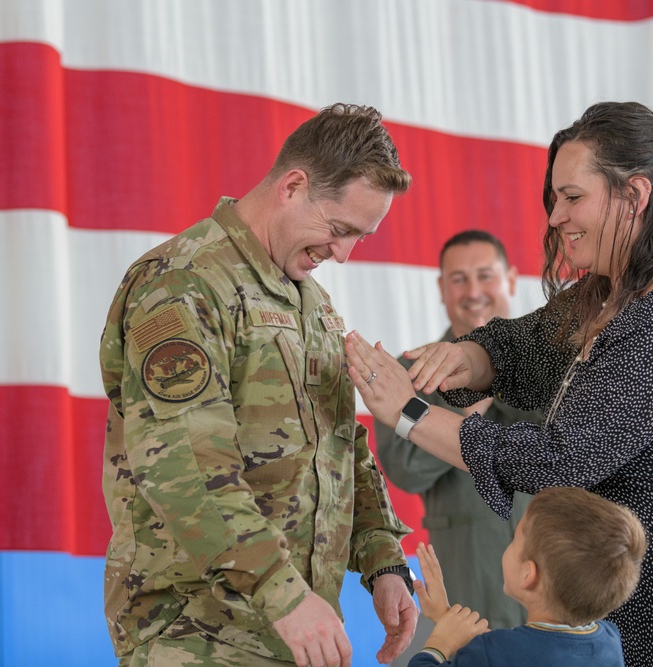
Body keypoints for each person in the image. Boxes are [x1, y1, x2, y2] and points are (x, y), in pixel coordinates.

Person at [345, 101, 653, 666]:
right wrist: (464, 356)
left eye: (572, 198)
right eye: (554, 200)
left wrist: (409, 412)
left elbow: (560, 459)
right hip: (635, 609)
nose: (556, 217)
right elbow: (524, 345)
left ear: (635, 195)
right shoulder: (613, 294)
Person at [100, 103, 418, 667]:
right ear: (293, 186)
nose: (342, 254)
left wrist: (383, 558)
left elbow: (339, 442)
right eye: (339, 229)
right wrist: (283, 593)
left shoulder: (310, 299)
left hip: (296, 630)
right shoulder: (184, 283)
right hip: (199, 631)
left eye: (359, 238)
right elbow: (184, 469)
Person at [374, 230, 541, 637]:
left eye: (485, 276)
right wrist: (469, 412)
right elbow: (405, 470)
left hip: (556, 582)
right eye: (459, 279)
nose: (473, 292)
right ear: (442, 289)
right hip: (467, 583)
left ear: (511, 281)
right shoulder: (410, 373)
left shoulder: (548, 366)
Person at [408, 486, 646, 666]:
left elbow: (501, 654)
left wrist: (439, 644)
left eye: (515, 538)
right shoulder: (609, 640)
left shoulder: (491, 652)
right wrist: (444, 615)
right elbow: (525, 652)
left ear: (527, 575)